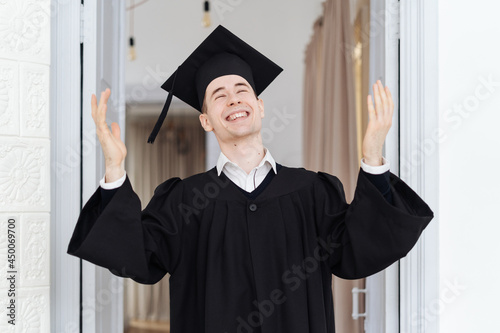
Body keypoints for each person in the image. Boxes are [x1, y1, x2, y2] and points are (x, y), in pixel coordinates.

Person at [68, 26, 433, 333]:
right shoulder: (183, 201)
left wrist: (372, 157)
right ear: (207, 120)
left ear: (259, 106)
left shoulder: (312, 193)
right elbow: (134, 255)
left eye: (242, 90)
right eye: (219, 95)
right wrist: (115, 169)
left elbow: (361, 249)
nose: (233, 100)